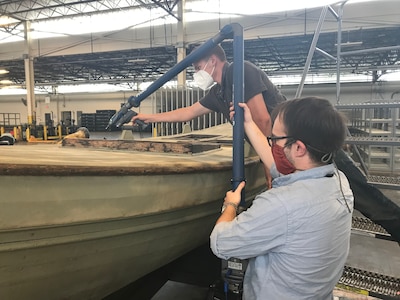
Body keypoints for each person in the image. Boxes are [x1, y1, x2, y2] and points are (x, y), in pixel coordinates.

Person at [210, 97, 354, 299]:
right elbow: (277, 167)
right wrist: (249, 124)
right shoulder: (338, 182)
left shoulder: (282, 204)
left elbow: (221, 243)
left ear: (299, 148)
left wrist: (230, 206)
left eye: (275, 140)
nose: (273, 146)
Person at [132, 44, 286, 187]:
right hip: (274, 149)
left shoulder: (239, 71)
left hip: (285, 146)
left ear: (213, 60)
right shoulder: (219, 92)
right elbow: (189, 112)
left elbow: (263, 120)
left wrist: (270, 165)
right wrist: (149, 117)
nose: (197, 74)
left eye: (198, 68)